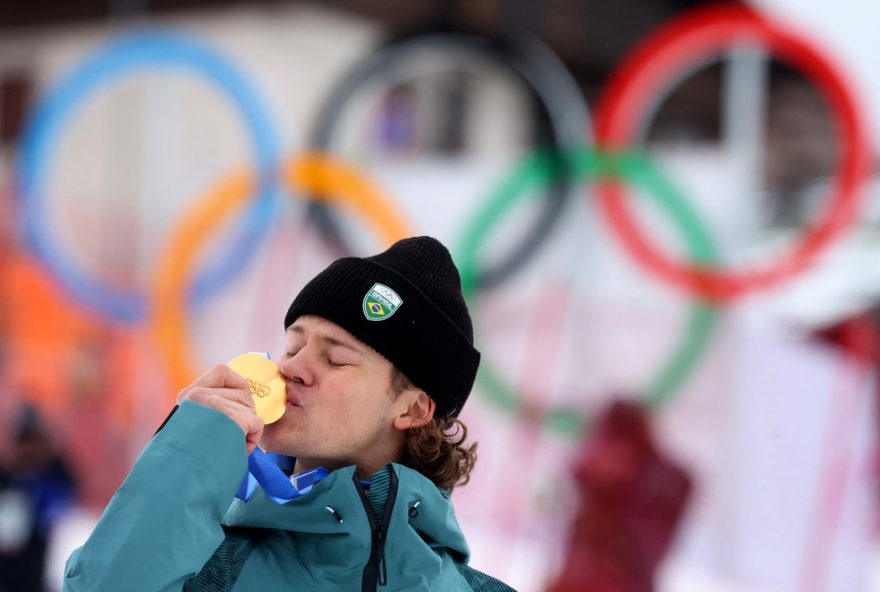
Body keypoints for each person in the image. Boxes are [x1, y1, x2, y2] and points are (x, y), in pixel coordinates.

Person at [62, 236, 515, 592]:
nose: (291, 367)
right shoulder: (206, 569)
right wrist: (189, 451)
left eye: (336, 358)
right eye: (293, 346)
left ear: (413, 408)